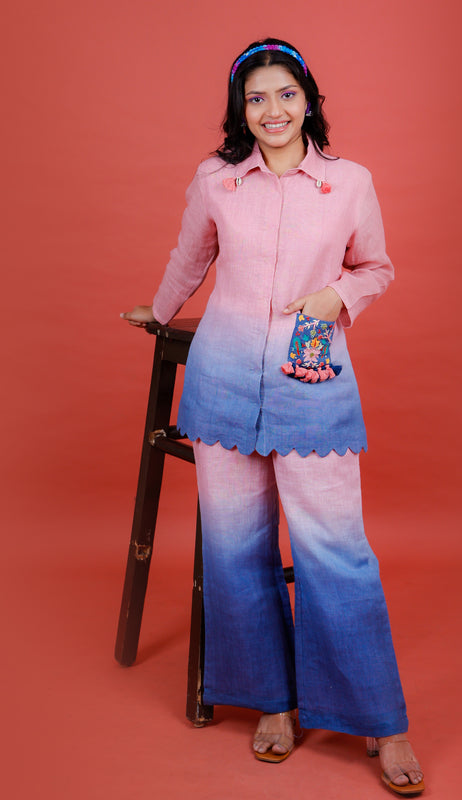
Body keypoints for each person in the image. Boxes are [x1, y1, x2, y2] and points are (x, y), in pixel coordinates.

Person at [121, 38, 425, 795]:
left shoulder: (349, 182)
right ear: (241, 110)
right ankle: (273, 705)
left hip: (312, 381)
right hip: (222, 383)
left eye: (285, 94)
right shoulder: (215, 180)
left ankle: (380, 720)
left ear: (309, 100)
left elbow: (376, 267)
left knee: (336, 551)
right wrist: (158, 312)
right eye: (255, 98)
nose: (272, 110)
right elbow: (191, 257)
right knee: (235, 549)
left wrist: (335, 298)